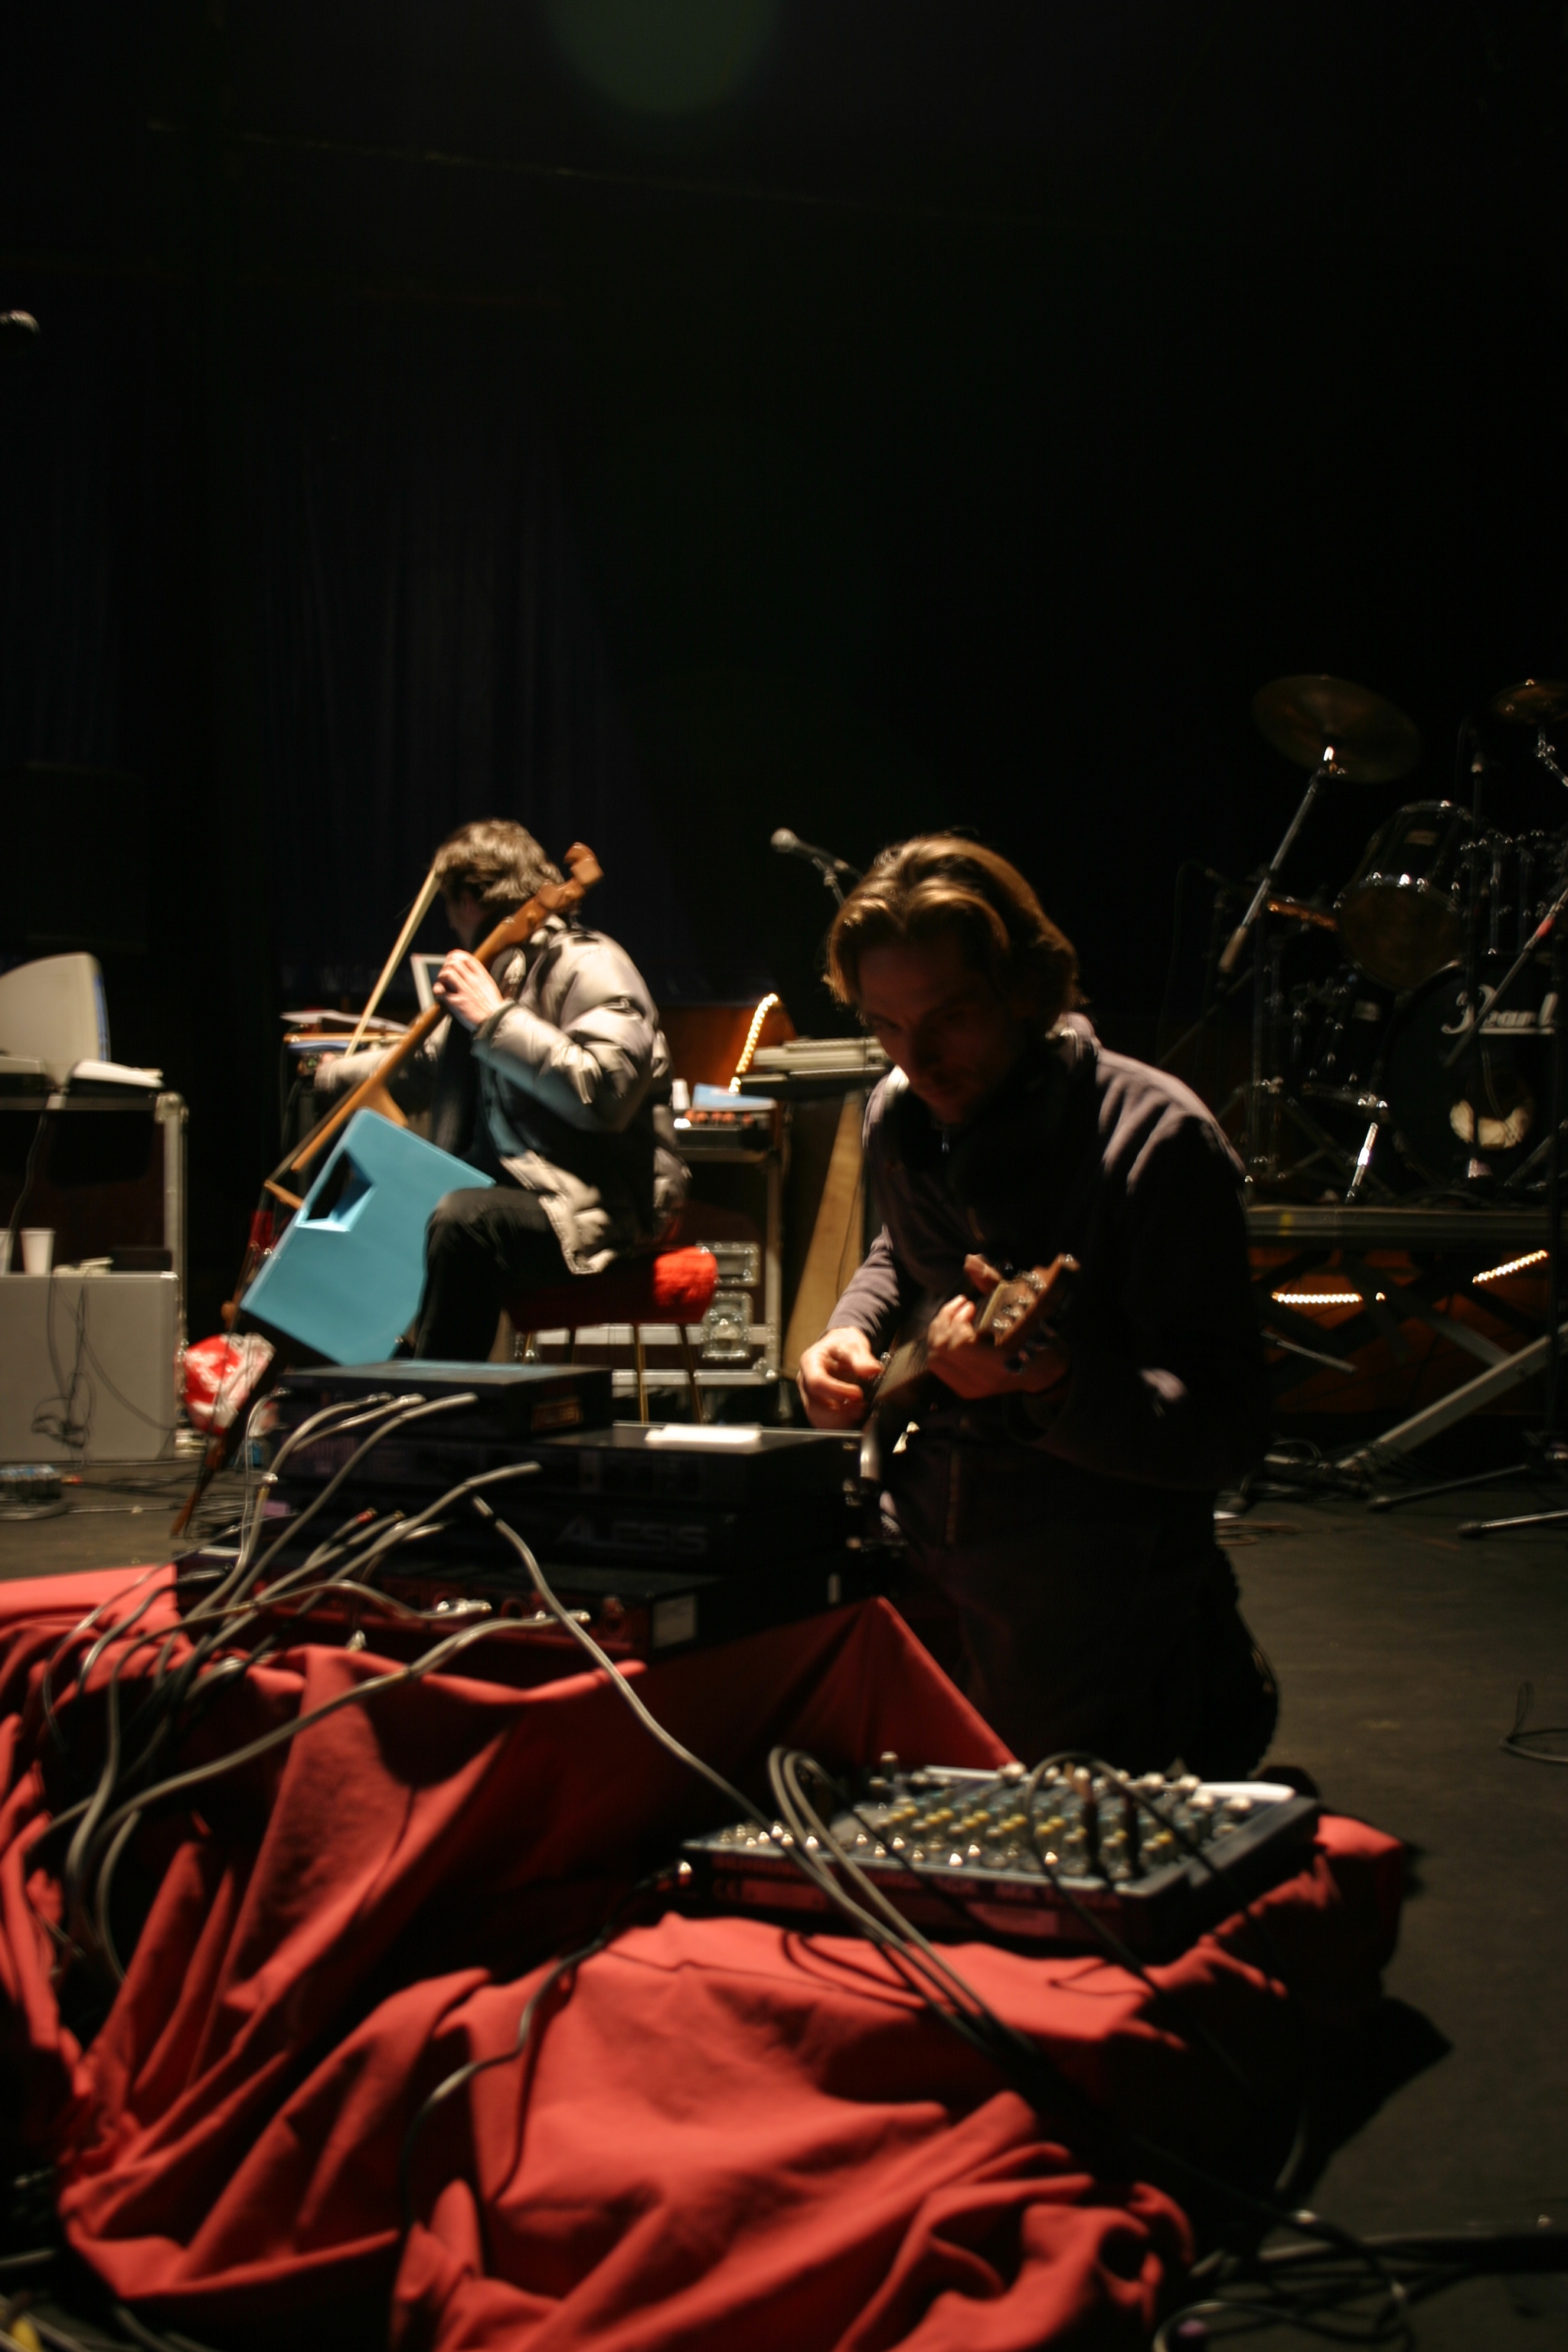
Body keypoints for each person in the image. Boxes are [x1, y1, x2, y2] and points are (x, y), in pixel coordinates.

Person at [795, 835, 1276, 1775]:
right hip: (918, 1521)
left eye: (949, 1018)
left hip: (1086, 1559)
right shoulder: (900, 1112)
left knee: (1019, 1813)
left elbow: (1226, 1433)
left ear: (1025, 991)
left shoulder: (1159, 1141)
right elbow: (905, 1249)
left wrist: (1053, 1385)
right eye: (886, 1026)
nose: (917, 1061)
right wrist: (849, 1329)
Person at [316, 819, 688, 1361]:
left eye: (449, 906)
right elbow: (424, 1066)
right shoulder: (505, 971)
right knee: (390, 1207)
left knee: (466, 1222)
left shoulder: (590, 961)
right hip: (532, 1194)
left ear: (466, 900)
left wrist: (494, 1020)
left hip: (600, 1208)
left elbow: (604, 1092)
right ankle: (367, 1372)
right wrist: (325, 1077)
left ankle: (440, 1397)